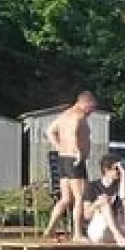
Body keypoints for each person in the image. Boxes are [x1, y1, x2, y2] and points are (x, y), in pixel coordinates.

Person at [43, 91, 98, 240]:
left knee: (66, 199)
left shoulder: (64, 115)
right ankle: (78, 234)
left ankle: (50, 229)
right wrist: (77, 151)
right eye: (92, 107)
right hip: (75, 160)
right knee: (79, 197)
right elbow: (73, 132)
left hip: (63, 159)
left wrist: (59, 147)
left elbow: (49, 131)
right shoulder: (78, 116)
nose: (92, 111)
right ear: (84, 103)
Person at [83, 155, 125, 246]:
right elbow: (86, 215)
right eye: (116, 168)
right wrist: (97, 204)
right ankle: (118, 236)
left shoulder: (120, 185)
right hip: (99, 229)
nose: (119, 171)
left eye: (120, 168)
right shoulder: (92, 186)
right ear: (106, 170)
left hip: (118, 227)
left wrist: (124, 175)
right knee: (104, 202)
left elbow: (124, 196)